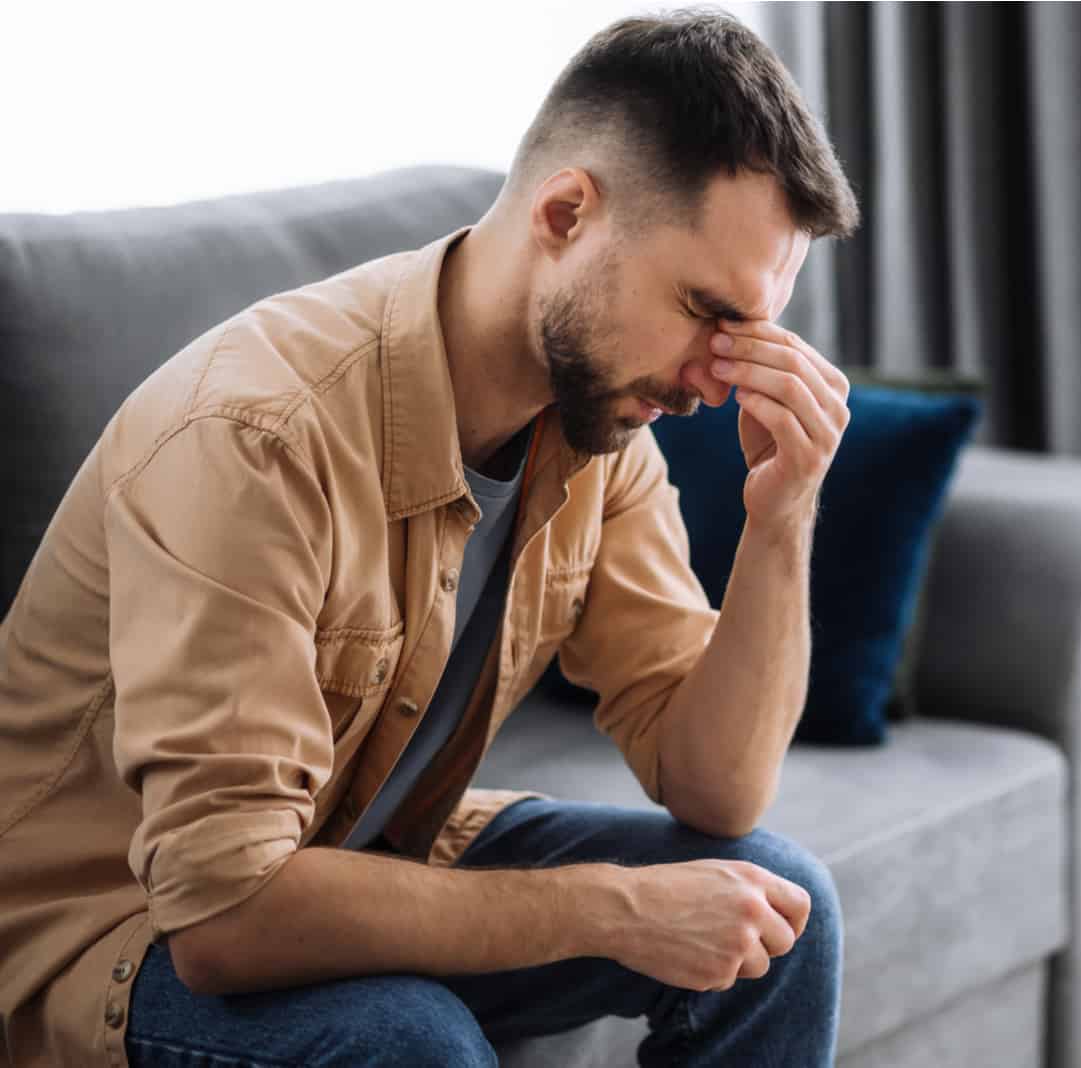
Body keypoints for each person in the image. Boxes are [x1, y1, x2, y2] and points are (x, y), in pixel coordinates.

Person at [0, 9, 860, 1066]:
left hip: (364, 848)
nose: (709, 375)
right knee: (412, 1041)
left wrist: (783, 517)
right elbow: (224, 914)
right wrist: (618, 912)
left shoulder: (597, 429)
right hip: (114, 938)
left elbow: (716, 787)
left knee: (782, 917)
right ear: (565, 212)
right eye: (701, 309)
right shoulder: (256, 435)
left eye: (744, 331)